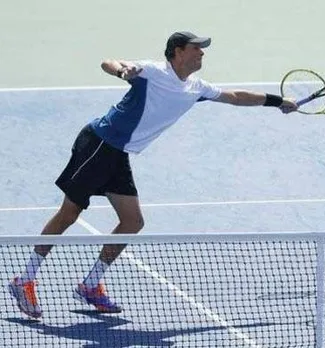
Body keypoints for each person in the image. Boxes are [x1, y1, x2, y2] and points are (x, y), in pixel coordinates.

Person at [8, 31, 298, 319]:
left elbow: (236, 96)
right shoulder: (153, 72)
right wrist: (123, 70)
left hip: (119, 153)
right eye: (197, 48)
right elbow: (107, 62)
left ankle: (90, 284)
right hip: (99, 143)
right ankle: (25, 279)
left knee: (132, 221)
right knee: (69, 213)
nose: (202, 53)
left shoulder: (196, 87)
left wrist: (277, 101)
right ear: (178, 51)